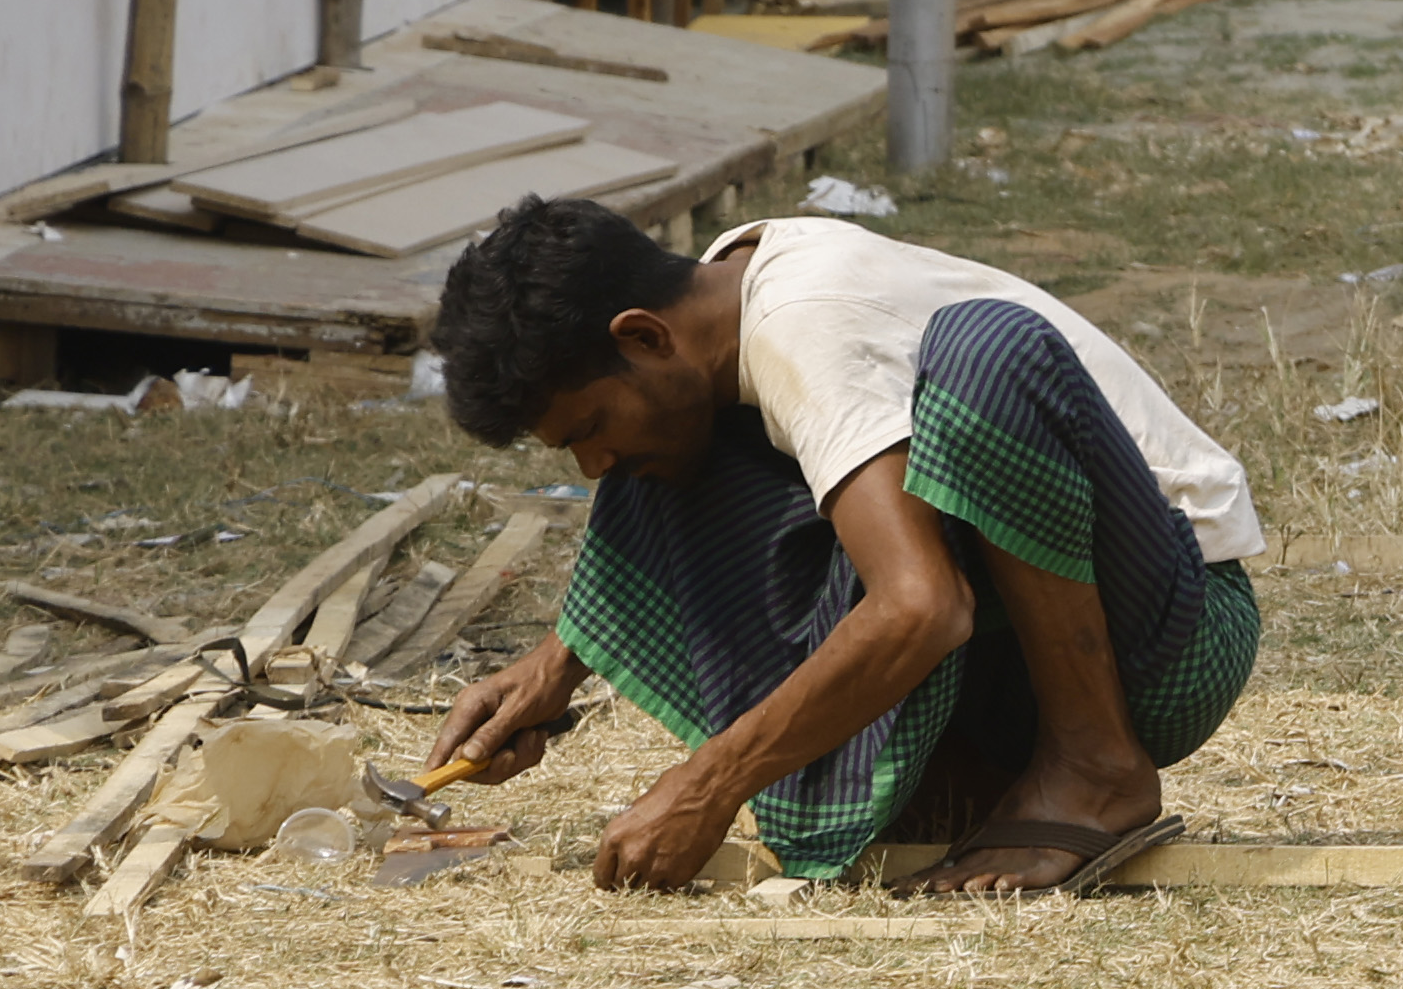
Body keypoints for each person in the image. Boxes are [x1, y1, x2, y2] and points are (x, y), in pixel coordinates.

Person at [420, 198, 1264, 898]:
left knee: (986, 353)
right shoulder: (723, 290)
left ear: (643, 333)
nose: (588, 461)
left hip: (1172, 641)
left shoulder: (805, 319)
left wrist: (707, 784)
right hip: (1023, 663)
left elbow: (923, 605)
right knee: (660, 455)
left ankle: (1094, 764)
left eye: (587, 425)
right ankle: (949, 779)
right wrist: (555, 667)